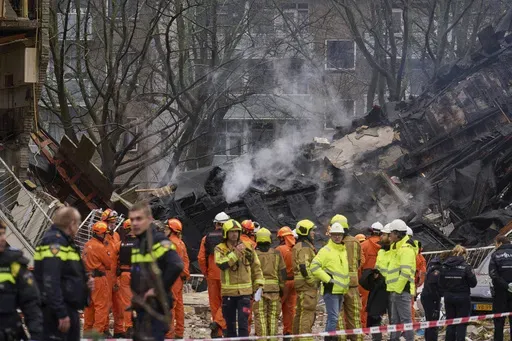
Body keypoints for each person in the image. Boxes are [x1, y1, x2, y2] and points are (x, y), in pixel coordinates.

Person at [34, 206, 93, 341]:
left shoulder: (66, 243)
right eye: (78, 224)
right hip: (57, 310)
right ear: (72, 223)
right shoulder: (55, 242)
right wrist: (60, 312)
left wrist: (85, 283)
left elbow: (67, 274)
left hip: (66, 307)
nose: (78, 228)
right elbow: (51, 279)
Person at [129, 202, 184, 341]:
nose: (134, 223)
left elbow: (176, 264)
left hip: (155, 309)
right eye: (132, 219)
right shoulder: (138, 244)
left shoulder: (158, 241)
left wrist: (157, 290)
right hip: (141, 309)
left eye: (139, 219)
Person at [214, 219, 264, 337]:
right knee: (230, 326)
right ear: (226, 233)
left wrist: (259, 284)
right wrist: (236, 253)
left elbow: (256, 266)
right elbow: (221, 264)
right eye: (232, 232)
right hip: (229, 293)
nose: (234, 234)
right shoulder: (220, 248)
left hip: (245, 294)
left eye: (237, 231)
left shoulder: (248, 247)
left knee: (243, 325)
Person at [0, 221, 43, 341]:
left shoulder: (14, 264)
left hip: (9, 332)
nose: (2, 238)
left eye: (3, 234)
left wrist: (36, 335)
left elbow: (31, 303)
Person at [310, 222, 350, 341]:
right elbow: (314, 267)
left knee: (334, 318)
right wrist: (328, 280)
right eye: (334, 234)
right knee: (333, 318)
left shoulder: (342, 251)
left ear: (343, 235)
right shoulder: (325, 250)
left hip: (340, 290)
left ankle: (330, 338)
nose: (337, 237)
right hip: (331, 289)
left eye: (339, 234)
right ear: (330, 235)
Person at [331, 215, 364, 341]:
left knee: (337, 314)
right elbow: (360, 261)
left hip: (337, 284)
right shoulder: (355, 242)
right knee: (354, 314)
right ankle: (357, 337)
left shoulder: (333, 243)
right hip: (353, 284)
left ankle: (341, 338)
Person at [197, 212, 230, 337]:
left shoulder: (206, 238)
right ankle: (222, 325)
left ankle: (217, 331)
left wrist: (206, 272)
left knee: (215, 304)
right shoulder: (230, 238)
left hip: (212, 275)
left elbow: (201, 258)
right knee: (226, 302)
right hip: (226, 275)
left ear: (215, 224)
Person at [386, 219, 416, 341]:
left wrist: (397, 290)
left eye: (391, 233)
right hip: (396, 290)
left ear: (397, 234)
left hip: (401, 291)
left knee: (406, 321)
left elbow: (405, 273)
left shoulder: (405, 249)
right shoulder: (397, 248)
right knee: (395, 321)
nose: (389, 236)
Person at [253, 228, 286, 337]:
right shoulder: (277, 253)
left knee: (260, 316)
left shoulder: (254, 254)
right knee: (273, 317)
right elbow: (283, 273)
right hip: (274, 290)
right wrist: (281, 288)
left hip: (259, 291)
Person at [439, 245, 476, 341]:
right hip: (463, 297)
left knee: (450, 322)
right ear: (464, 255)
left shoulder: (444, 266)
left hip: (449, 297)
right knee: (461, 324)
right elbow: (473, 283)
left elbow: (440, 283)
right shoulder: (466, 267)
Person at [82, 221, 112, 335]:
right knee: (101, 307)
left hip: (87, 278)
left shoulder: (87, 244)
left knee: (89, 306)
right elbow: (109, 264)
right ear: (101, 234)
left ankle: (87, 332)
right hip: (98, 279)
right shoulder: (100, 247)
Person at [292, 219, 318, 340]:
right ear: (305, 231)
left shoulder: (299, 245)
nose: (314, 233)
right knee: (308, 312)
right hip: (306, 285)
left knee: (300, 312)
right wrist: (312, 281)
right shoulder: (305, 247)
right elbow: (304, 266)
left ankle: (297, 337)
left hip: (301, 284)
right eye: (312, 230)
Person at [366, 223, 393, 341]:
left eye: (384, 234)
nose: (381, 236)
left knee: (395, 318)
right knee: (374, 314)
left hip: (393, 287)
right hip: (380, 286)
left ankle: (394, 338)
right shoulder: (381, 250)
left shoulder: (398, 250)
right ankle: (376, 338)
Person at [101, 208, 125, 337]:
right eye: (111, 221)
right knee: (105, 304)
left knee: (119, 303)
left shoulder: (115, 235)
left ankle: (119, 330)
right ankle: (104, 329)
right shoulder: (101, 237)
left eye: (115, 221)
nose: (113, 224)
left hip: (116, 273)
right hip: (106, 274)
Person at [166, 218, 190, 339]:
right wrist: (184, 274)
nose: (164, 230)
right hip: (179, 279)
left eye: (166, 228)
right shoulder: (181, 243)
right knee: (179, 306)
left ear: (172, 230)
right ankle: (179, 332)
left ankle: (169, 334)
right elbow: (185, 260)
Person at [421, 251, 450, 341]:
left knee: (430, 322)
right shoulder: (438, 268)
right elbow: (433, 283)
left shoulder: (433, 264)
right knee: (433, 323)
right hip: (432, 297)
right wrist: (439, 294)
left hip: (428, 296)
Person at [359, 222, 383, 328]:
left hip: (365, 279)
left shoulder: (363, 245)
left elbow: (359, 264)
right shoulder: (387, 246)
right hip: (381, 279)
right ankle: (375, 326)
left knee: (363, 304)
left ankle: (363, 326)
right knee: (377, 303)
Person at [490, 235, 512, 341]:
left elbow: (493, 274)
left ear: (500, 243)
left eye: (495, 243)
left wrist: (505, 285)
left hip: (500, 293)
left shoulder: (495, 255)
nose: (495, 246)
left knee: (498, 322)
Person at [275, 226, 296, 335]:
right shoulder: (296, 248)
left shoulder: (279, 249)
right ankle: (288, 332)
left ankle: (271, 331)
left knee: (276, 308)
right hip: (294, 282)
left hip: (283, 282)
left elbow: (275, 266)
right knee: (290, 309)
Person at [118, 219, 137, 336]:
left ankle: (128, 327)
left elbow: (114, 260)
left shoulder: (120, 243)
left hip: (125, 274)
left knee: (126, 302)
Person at [406, 227, 426, 321]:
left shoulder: (415, 256)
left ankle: (410, 323)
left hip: (406, 283)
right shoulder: (418, 256)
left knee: (408, 305)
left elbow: (421, 273)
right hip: (410, 283)